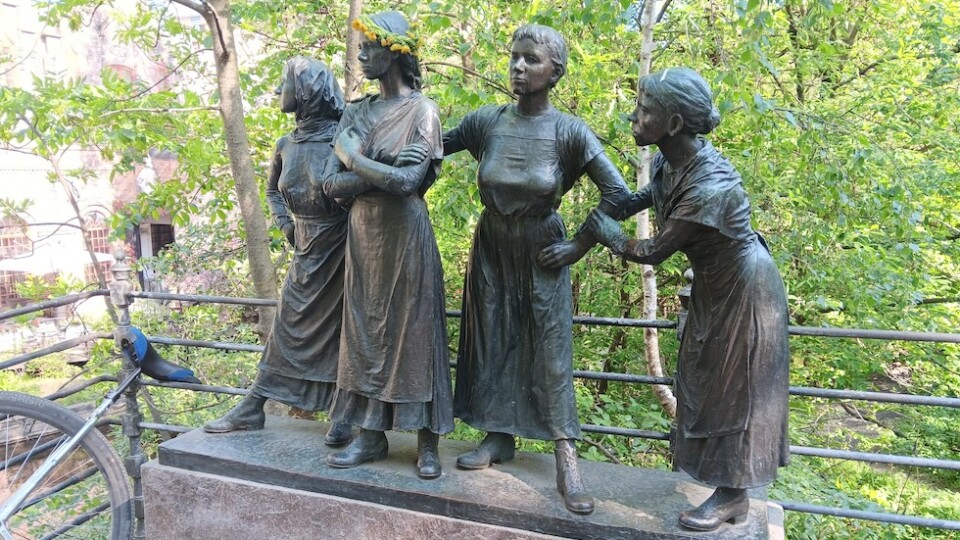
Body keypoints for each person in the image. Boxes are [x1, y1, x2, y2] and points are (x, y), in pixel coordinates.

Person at [586, 67, 790, 531]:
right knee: (702, 379)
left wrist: (603, 231)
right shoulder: (669, 160)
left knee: (733, 389)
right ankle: (720, 484)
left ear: (674, 124)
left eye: (645, 111)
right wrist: (624, 203)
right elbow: (655, 194)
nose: (633, 117)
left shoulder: (709, 186)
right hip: (715, 286)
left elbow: (652, 250)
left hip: (745, 291)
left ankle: (733, 496)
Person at [443, 23, 633, 515]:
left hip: (542, 248)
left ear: (555, 72)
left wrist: (580, 245)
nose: (518, 67)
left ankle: (566, 456)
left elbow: (618, 196)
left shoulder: (569, 131)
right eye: (514, 57)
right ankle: (497, 434)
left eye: (531, 59)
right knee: (493, 339)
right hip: (492, 244)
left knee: (550, 350)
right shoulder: (486, 121)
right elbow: (426, 147)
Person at [317, 11, 453, 480]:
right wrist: (375, 172)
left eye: (368, 48)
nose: (360, 56)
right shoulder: (355, 111)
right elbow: (329, 186)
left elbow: (408, 183)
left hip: (406, 238)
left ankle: (427, 442)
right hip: (364, 237)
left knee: (415, 335)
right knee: (365, 335)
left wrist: (354, 157)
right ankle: (370, 435)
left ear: (394, 51)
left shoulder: (423, 111)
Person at [204, 56, 353, 447]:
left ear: (307, 91)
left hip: (342, 252)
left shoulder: (344, 136)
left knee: (343, 332)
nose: (278, 91)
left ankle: (344, 412)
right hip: (304, 249)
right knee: (287, 326)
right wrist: (285, 224)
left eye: (284, 83)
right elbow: (272, 191)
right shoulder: (286, 144)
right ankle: (254, 405)